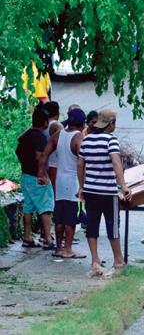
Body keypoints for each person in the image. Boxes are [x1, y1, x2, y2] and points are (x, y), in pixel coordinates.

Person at [77, 109, 130, 277]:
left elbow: (80, 165)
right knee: (112, 225)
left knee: (92, 225)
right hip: (107, 191)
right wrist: (123, 186)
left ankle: (95, 261)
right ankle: (118, 260)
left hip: (90, 190)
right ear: (111, 123)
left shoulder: (86, 140)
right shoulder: (111, 140)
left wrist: (81, 186)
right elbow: (116, 162)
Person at [39, 108, 86, 259]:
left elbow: (44, 154)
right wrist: (83, 184)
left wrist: (41, 172)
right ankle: (68, 249)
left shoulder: (58, 135)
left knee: (59, 217)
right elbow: (82, 161)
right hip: (73, 181)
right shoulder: (78, 138)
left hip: (59, 180)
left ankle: (59, 248)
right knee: (71, 218)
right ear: (82, 123)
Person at [17, 108, 55, 250]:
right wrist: (43, 174)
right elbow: (40, 157)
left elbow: (19, 144)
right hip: (37, 177)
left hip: (25, 175)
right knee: (45, 206)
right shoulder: (39, 137)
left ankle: (27, 237)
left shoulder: (25, 136)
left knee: (28, 207)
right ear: (45, 122)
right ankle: (48, 239)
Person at [43, 101, 63, 186]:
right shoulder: (56, 125)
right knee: (55, 187)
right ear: (58, 112)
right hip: (54, 161)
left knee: (49, 187)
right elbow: (63, 141)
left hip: (44, 160)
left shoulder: (42, 124)